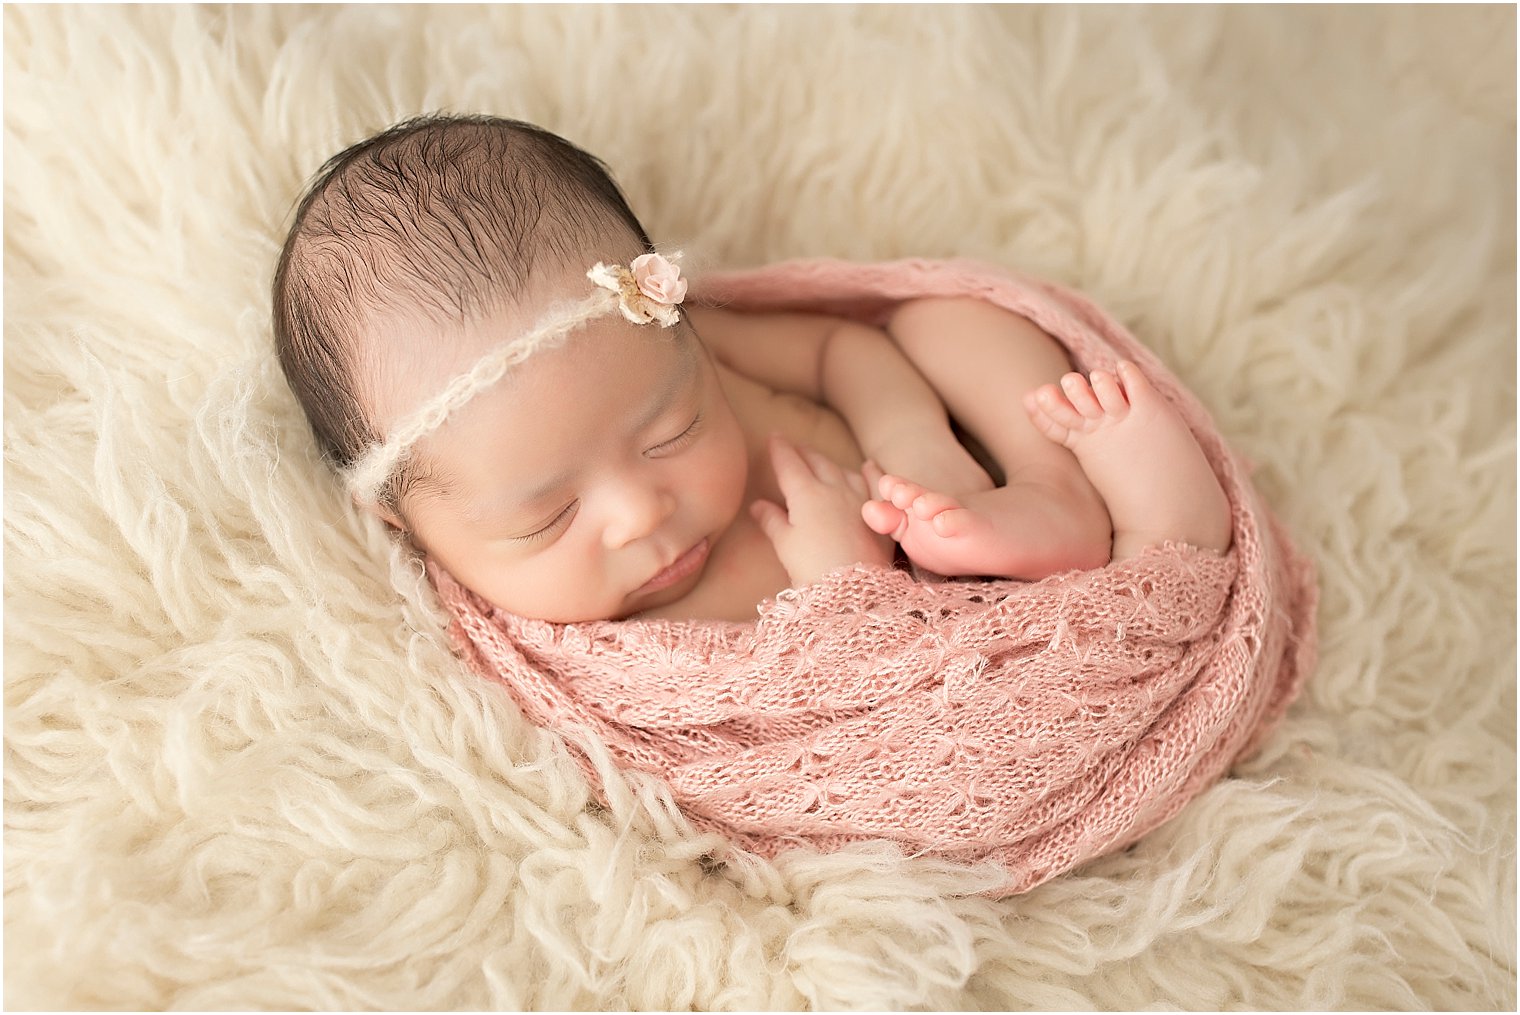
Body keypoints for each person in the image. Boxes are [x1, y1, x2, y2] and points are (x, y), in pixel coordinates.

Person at [273, 114, 1231, 623]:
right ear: (410, 524)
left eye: (672, 428)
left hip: (959, 487)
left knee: (947, 321)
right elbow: (822, 744)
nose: (641, 511)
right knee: (1153, 588)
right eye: (547, 516)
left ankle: (1054, 486)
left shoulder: (663, 339)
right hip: (946, 650)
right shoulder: (605, 645)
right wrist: (844, 596)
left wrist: (915, 443)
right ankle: (1164, 534)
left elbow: (838, 344)